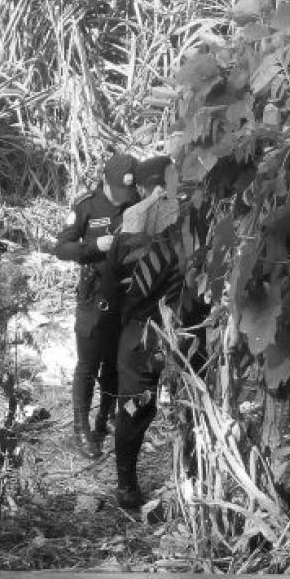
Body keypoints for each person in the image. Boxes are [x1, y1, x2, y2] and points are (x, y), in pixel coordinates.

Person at [97, 154, 202, 509]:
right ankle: (194, 479)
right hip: (187, 333)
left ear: (143, 187)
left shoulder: (131, 228)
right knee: (191, 405)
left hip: (141, 338)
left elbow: (111, 289)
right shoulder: (194, 221)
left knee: (134, 408)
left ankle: (127, 486)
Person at [54, 152, 138, 459]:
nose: (123, 196)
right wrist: (94, 246)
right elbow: (61, 248)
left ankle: (105, 419)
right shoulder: (86, 205)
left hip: (124, 296)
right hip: (93, 296)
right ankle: (81, 428)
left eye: (128, 190)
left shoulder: (136, 202)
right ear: (105, 180)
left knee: (115, 363)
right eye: (119, 189)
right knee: (88, 364)